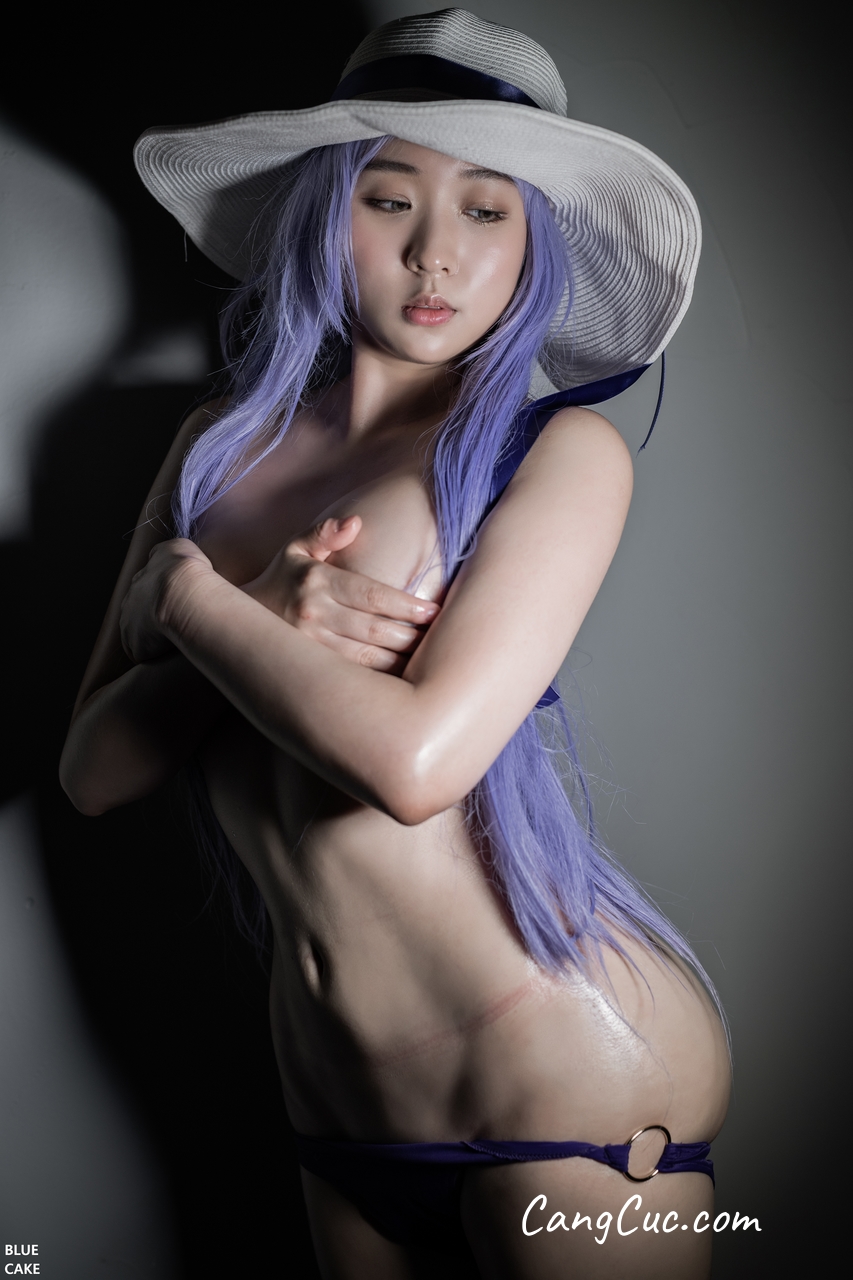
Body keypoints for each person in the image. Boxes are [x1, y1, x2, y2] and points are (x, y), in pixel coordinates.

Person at [59, 9, 730, 1278]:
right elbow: (94, 771)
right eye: (389, 198)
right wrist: (265, 606)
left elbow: (416, 766)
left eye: (485, 209)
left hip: (563, 1082)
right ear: (329, 214)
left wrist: (190, 601)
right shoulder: (217, 451)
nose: (435, 252)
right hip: (339, 1102)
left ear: (532, 243)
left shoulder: (555, 451)